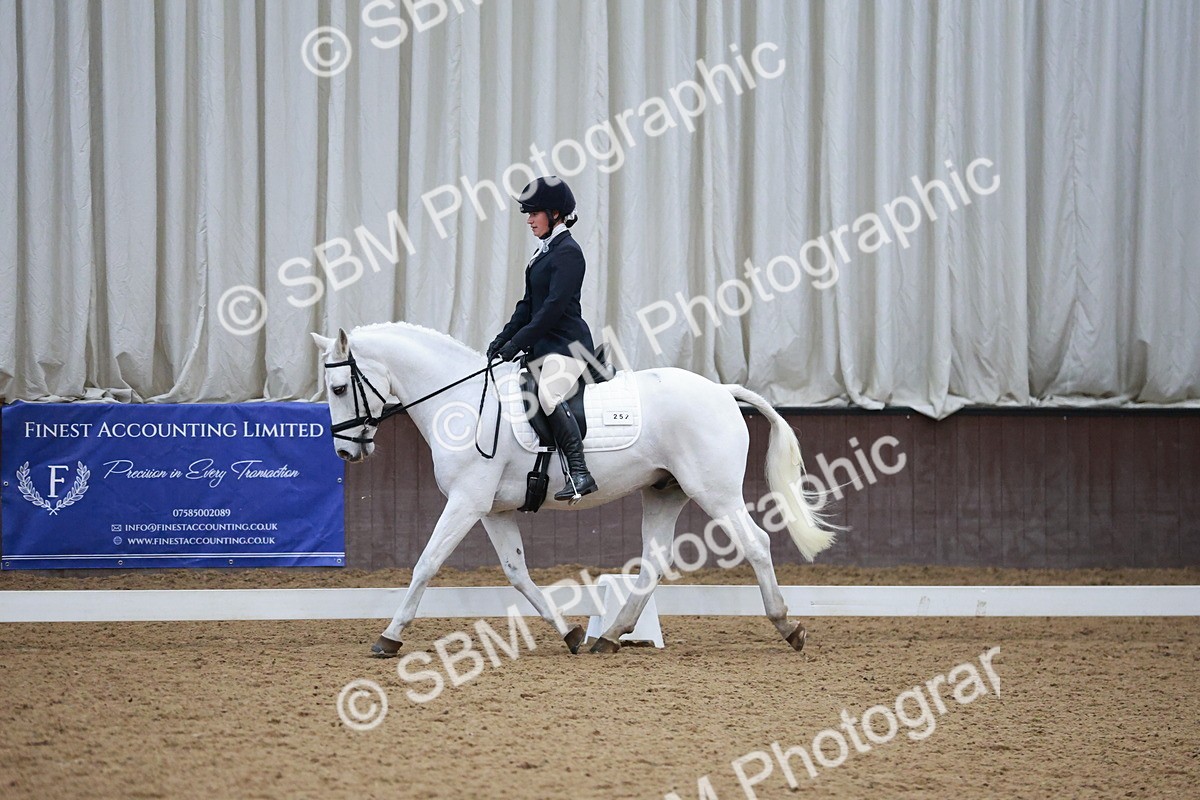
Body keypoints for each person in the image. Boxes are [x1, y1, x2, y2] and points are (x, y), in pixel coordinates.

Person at [487, 176, 598, 501]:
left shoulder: (568, 253)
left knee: (548, 396)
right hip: (544, 349)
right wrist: (502, 340)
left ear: (555, 213)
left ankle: (579, 472)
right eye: (528, 213)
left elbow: (551, 310)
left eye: (534, 213)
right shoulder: (543, 253)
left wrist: (516, 344)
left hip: (567, 348)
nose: (529, 219)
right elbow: (528, 306)